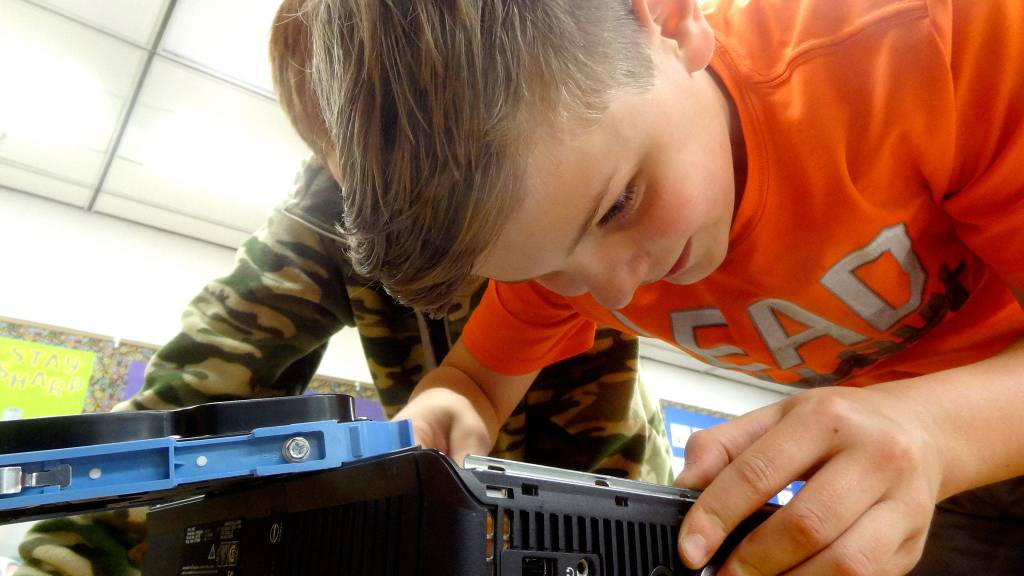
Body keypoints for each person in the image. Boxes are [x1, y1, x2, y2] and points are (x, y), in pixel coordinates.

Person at [296, 0, 1024, 574]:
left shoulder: (923, 38)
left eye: (620, 205)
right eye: (545, 270)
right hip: (929, 480)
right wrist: (442, 410)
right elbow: (476, 385)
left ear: (673, 21)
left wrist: (933, 430)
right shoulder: (572, 255)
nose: (612, 290)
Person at [12, 3, 671, 575]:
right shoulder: (322, 213)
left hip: (611, 492)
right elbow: (189, 409)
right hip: (443, 485)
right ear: (338, 161)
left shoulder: (560, 169)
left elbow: (606, 467)